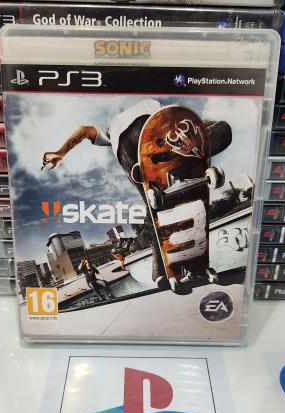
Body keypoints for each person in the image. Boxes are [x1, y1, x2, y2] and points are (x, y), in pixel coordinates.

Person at [43, 99, 232, 288]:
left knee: (156, 209)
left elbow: (83, 130)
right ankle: (182, 167)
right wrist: (206, 132)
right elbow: (187, 122)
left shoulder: (108, 129)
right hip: (154, 127)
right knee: (223, 130)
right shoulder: (151, 104)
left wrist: (60, 152)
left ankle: (160, 274)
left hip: (127, 151)